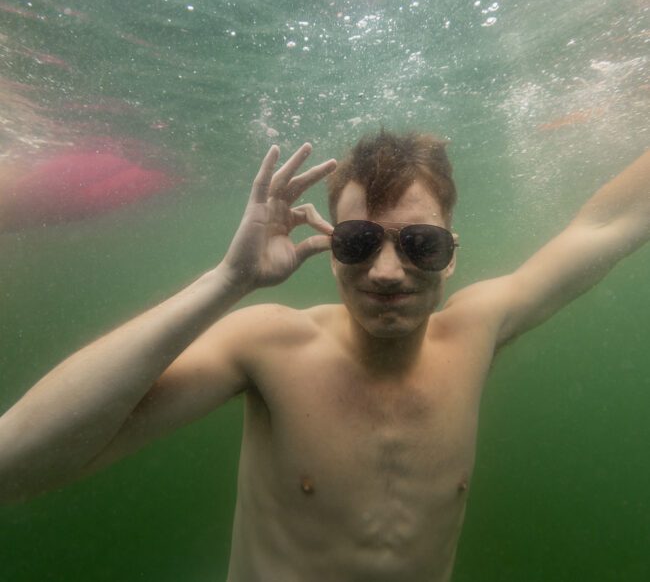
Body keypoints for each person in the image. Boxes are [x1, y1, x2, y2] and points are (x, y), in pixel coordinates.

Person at [0, 130, 648, 581]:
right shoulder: (271, 345)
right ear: (330, 246)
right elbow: (14, 465)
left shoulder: (475, 331)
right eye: (360, 241)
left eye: (419, 243)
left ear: (453, 253)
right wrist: (227, 281)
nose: (388, 271)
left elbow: (606, 227)